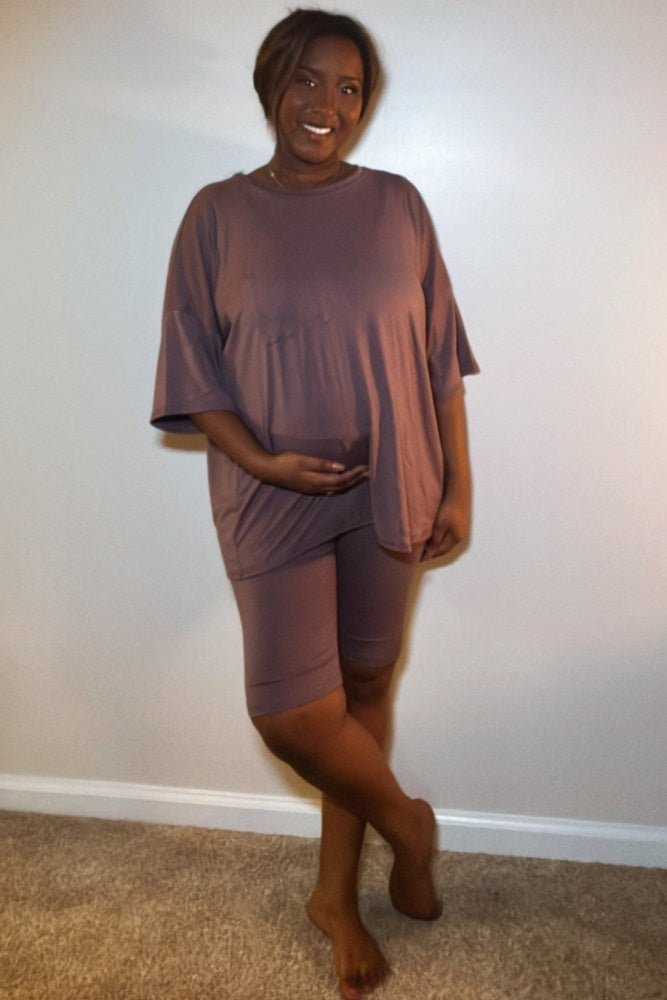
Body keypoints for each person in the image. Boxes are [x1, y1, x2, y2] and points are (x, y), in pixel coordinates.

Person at [151, 9, 478, 998]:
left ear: (363, 105)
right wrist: (264, 460)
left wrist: (458, 483)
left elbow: (440, 363)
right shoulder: (216, 214)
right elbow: (193, 370)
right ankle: (409, 826)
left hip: (392, 485)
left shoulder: (398, 205)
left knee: (364, 691)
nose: (325, 103)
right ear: (270, 86)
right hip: (270, 497)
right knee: (295, 715)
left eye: (348, 87)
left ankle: (335, 896)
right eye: (306, 79)